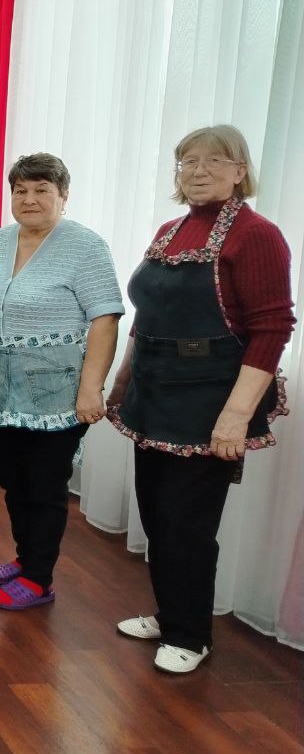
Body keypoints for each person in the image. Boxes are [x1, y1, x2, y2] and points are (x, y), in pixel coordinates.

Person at [107, 126, 293, 673]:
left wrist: (234, 417)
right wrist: (122, 381)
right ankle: (171, 615)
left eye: (215, 161)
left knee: (187, 523)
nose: (199, 170)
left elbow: (272, 329)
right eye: (188, 161)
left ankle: (191, 635)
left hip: (210, 398)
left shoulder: (257, 235)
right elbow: (147, 317)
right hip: (153, 390)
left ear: (240, 171)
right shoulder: (170, 230)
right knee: (155, 513)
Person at [0, 152, 123, 610]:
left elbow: (105, 318)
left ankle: (39, 578)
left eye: (42, 190)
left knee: (45, 485)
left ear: (63, 196)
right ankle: (25, 558)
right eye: (21, 190)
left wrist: (91, 389)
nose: (30, 199)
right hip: (0, 386)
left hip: (56, 391)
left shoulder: (85, 245)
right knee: (13, 480)